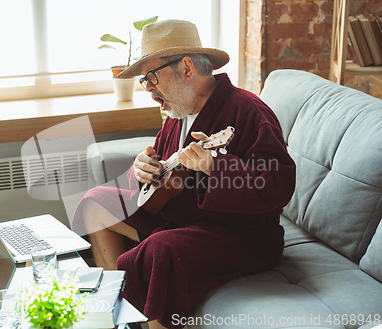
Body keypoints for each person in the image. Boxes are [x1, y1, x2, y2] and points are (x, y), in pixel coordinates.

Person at [72, 19, 296, 329]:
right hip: (179, 217)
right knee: (95, 202)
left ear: (187, 68)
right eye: (144, 80)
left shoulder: (248, 111)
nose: (148, 87)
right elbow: (159, 177)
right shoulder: (178, 112)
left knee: (161, 250)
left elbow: (278, 184)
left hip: (241, 235)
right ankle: (118, 315)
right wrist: (142, 169)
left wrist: (214, 165)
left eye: (152, 76)